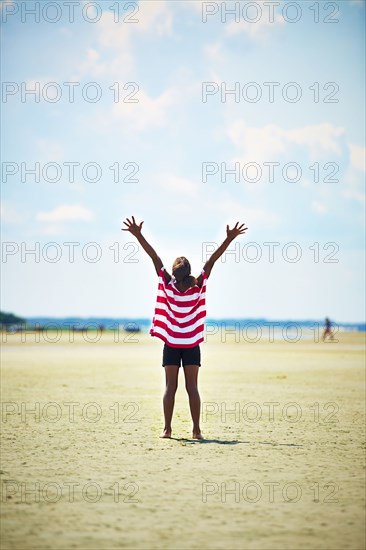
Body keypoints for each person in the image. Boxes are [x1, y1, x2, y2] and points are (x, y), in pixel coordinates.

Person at [122, 216, 248, 439]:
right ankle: (197, 431)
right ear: (189, 272)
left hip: (171, 343)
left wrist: (137, 234)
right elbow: (212, 260)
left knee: (170, 388)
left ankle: (167, 430)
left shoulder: (167, 284)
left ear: (173, 272)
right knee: (193, 388)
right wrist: (228, 239)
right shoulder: (197, 286)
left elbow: (154, 256)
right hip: (191, 344)